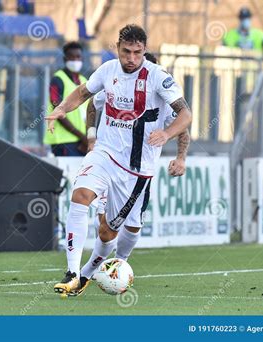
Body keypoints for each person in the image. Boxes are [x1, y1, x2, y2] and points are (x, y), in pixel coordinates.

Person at [46, 25, 192, 295]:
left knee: (108, 232)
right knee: (79, 196)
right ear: (117, 47)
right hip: (104, 154)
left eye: (138, 53)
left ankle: (91, 272)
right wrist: (62, 109)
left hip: (136, 170)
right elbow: (85, 95)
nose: (132, 58)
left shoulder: (159, 78)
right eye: (127, 52)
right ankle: (72, 272)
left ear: (144, 51)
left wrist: (169, 137)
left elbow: (186, 117)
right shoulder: (108, 70)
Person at [79, 53, 190, 290]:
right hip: (109, 162)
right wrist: (91, 138)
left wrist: (180, 157)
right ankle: (85, 274)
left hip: (139, 171)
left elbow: (184, 126)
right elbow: (91, 103)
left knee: (132, 226)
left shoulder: (161, 93)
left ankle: (119, 263)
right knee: (106, 224)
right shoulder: (117, 85)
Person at [43, 41, 89, 156]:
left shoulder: (84, 81)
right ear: (65, 59)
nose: (75, 60)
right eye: (71, 57)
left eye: (78, 57)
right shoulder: (58, 80)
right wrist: (81, 136)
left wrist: (88, 137)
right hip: (63, 141)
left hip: (82, 141)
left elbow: (88, 112)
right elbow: (58, 111)